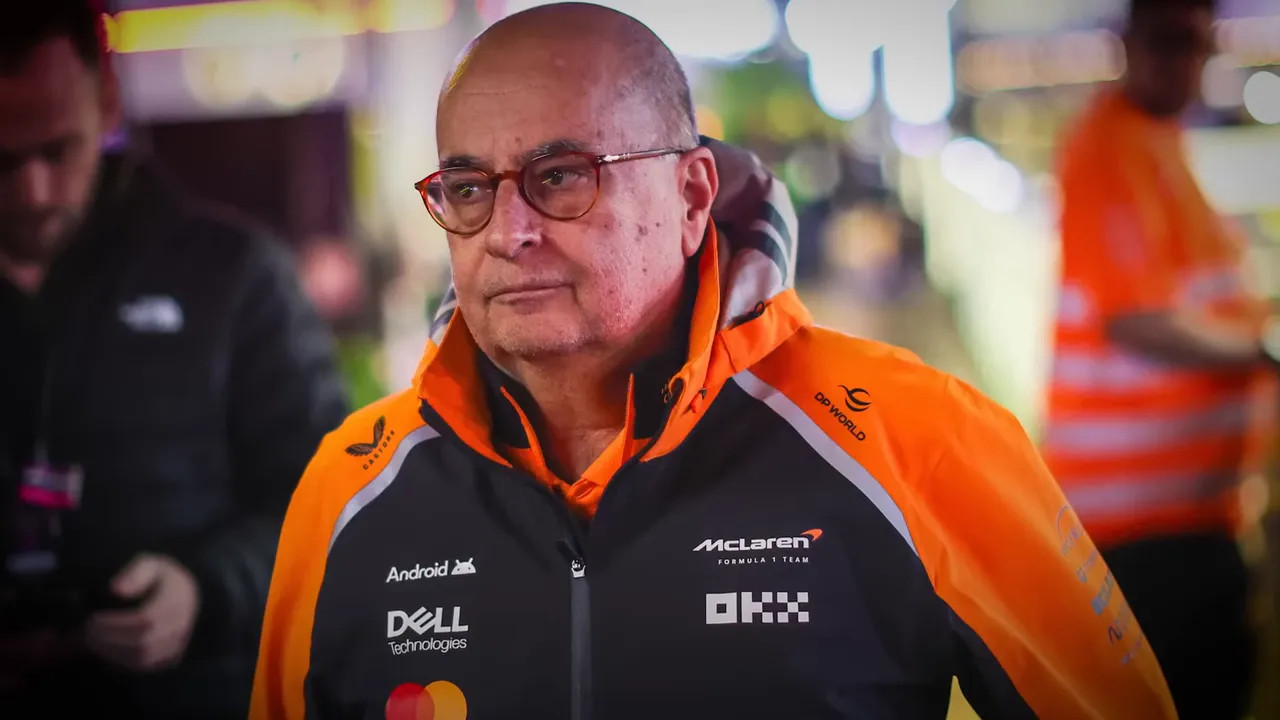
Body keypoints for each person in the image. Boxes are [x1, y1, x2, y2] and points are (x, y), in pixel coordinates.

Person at [252, 4, 1176, 718]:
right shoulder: (346, 490)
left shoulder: (920, 441)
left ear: (692, 193)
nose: (511, 231)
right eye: (466, 189)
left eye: (562, 175)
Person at [0, 3, 349, 717]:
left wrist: (204, 590)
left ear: (107, 103)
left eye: (57, 150)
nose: (32, 192)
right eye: (0, 161)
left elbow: (332, 496)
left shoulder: (234, 274)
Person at [1043, 0, 1275, 717]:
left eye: (1201, 46)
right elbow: (1138, 322)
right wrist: (1264, 350)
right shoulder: (1110, 150)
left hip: (1191, 510)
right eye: (1171, 43)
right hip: (1141, 525)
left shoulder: (1158, 141)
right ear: (1128, 43)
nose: (1187, 63)